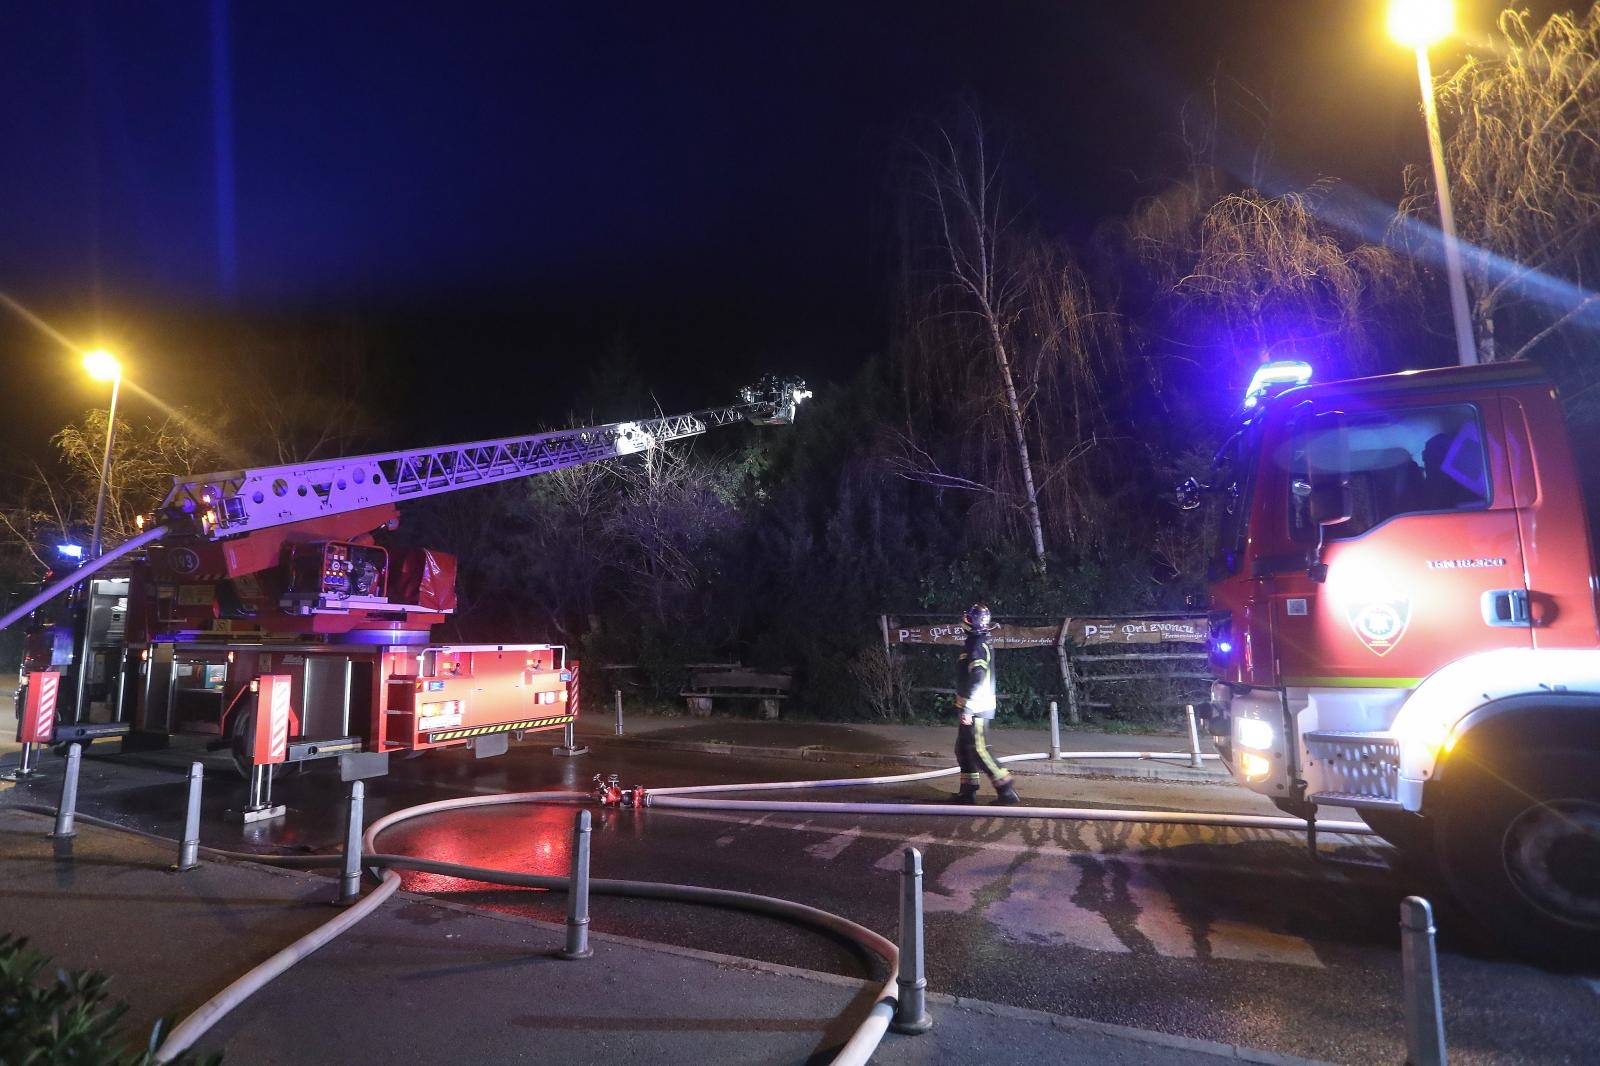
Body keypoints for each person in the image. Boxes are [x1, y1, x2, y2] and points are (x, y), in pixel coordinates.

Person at [952, 603, 1021, 806]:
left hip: (976, 708)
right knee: (963, 748)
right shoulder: (977, 641)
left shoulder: (976, 644)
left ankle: (1006, 790)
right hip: (972, 707)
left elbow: (978, 676)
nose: (964, 621)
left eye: (968, 618)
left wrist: (969, 708)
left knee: (979, 749)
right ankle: (968, 791)